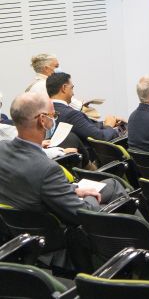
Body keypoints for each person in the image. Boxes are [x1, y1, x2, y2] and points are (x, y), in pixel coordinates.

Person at [0, 92, 126, 226]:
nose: (54, 119)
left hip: (22, 225)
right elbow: (85, 213)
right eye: (53, 115)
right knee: (123, 202)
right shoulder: (47, 169)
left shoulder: (2, 149)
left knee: (113, 184)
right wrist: (89, 195)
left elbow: (33, 187)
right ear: (42, 120)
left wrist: (74, 189)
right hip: (59, 233)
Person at [47, 72, 123, 143]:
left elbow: (83, 127)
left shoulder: (45, 111)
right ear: (64, 88)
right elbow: (101, 137)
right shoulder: (71, 114)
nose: (73, 93)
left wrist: (103, 123)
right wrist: (109, 126)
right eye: (72, 88)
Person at [26, 53, 100, 118]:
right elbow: (63, 104)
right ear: (46, 68)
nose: (59, 69)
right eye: (56, 66)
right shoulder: (45, 85)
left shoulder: (37, 85)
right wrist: (81, 105)